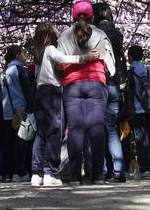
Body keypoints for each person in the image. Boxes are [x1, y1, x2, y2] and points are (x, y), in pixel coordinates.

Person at [30, 22, 98, 187]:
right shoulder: (50, 50)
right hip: (52, 92)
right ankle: (50, 173)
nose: (58, 32)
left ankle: (36, 173)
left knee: (40, 134)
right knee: (54, 132)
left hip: (39, 93)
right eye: (54, 30)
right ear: (49, 35)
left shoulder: (37, 55)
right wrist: (84, 57)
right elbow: (64, 59)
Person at [57, 0, 116, 184]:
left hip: (72, 85)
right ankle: (98, 175)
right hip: (96, 84)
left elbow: (58, 64)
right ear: (92, 16)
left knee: (75, 129)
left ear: (73, 16)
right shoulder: (100, 33)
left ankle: (75, 176)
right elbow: (111, 65)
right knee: (97, 128)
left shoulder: (64, 36)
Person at [93, 2, 127, 183]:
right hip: (114, 84)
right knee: (112, 130)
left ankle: (103, 171)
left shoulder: (94, 33)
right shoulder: (118, 34)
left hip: (99, 82)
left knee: (98, 129)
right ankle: (119, 171)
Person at [0, 45, 34, 182]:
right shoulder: (19, 69)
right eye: (24, 53)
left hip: (8, 111)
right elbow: (27, 91)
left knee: (9, 142)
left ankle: (9, 172)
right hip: (21, 109)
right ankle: (19, 172)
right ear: (18, 55)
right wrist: (31, 108)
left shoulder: (4, 72)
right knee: (22, 141)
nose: (25, 56)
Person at [122, 45, 150, 179]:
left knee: (140, 140)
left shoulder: (131, 72)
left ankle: (145, 170)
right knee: (146, 139)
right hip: (149, 108)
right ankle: (146, 168)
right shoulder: (147, 71)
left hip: (137, 109)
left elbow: (127, 91)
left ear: (130, 56)